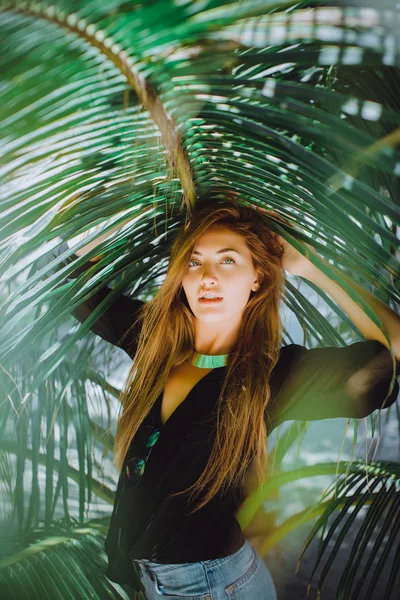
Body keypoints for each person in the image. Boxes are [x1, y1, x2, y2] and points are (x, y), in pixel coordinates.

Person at [39, 197, 399, 599]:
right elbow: (58, 271)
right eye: (194, 262)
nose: (207, 276)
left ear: (257, 277)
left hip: (215, 587)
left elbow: (394, 352)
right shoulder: (155, 340)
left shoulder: (274, 376)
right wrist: (146, 208)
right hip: (160, 583)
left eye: (227, 261)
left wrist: (311, 265)